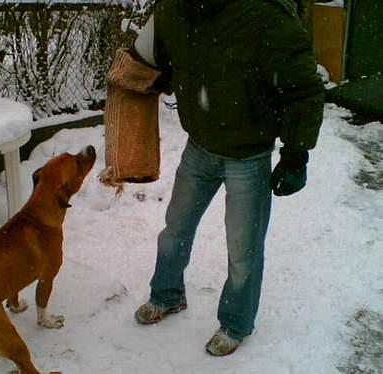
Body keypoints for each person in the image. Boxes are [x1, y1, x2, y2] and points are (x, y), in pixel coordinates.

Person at [125, 0, 324, 356]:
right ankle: (167, 295)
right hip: (199, 143)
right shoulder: (172, 8)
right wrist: (159, 79)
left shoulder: (264, 13)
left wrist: (296, 153)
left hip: (248, 152)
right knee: (175, 231)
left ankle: (235, 323)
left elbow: (303, 88)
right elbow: (165, 59)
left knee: (243, 249)